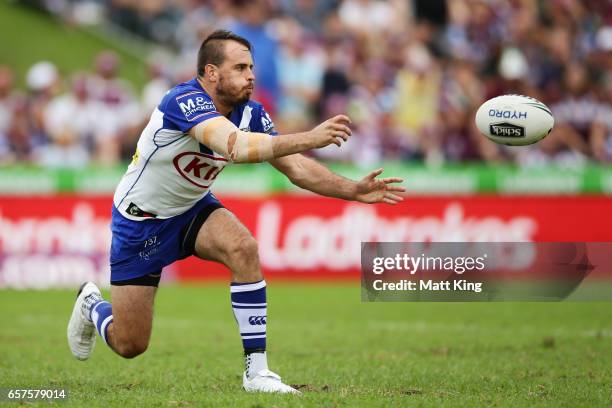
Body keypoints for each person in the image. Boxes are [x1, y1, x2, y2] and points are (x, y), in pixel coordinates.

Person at [67, 29, 405, 394]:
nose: (251, 75)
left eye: (252, 67)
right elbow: (236, 147)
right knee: (130, 344)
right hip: (141, 221)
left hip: (191, 209)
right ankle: (91, 305)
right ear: (211, 72)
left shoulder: (252, 113)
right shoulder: (183, 100)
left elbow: (299, 169)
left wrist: (352, 190)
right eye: (240, 67)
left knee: (244, 248)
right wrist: (312, 136)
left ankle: (256, 373)